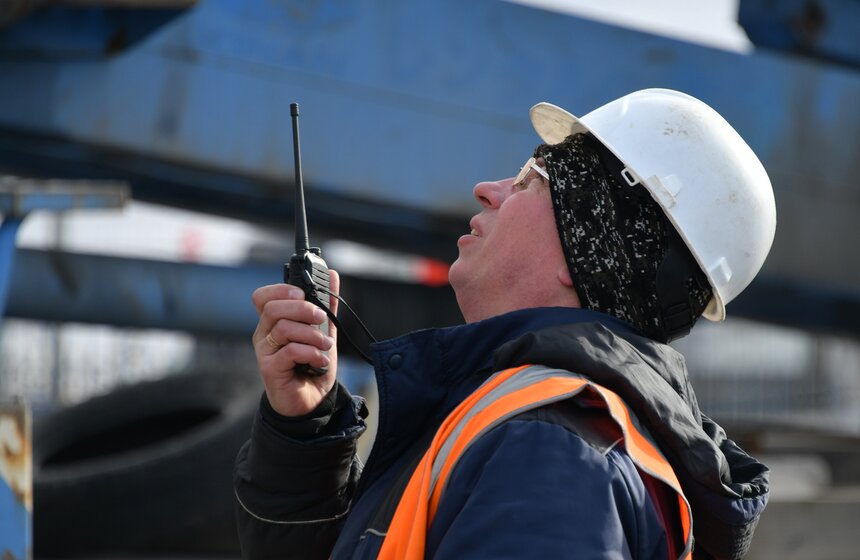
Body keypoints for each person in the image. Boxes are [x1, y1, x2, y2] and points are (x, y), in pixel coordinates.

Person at [233, 89, 774, 560]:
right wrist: (307, 430)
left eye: (529, 178)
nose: (487, 188)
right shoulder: (533, 428)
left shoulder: (550, 454)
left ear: (585, 251)